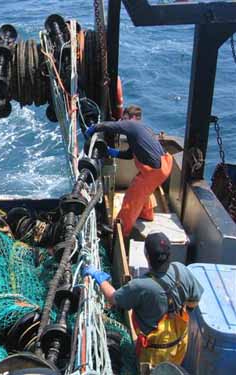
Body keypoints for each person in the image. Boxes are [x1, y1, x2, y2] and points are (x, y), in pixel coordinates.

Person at [83, 232, 203, 368]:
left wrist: (98, 276)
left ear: (146, 255)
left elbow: (113, 299)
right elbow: (194, 300)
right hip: (179, 344)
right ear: (169, 254)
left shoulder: (140, 286)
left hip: (154, 353)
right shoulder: (181, 269)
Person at [85, 105, 173, 237]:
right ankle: (146, 214)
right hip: (164, 165)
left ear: (133, 118)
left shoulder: (133, 125)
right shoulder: (143, 130)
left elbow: (112, 126)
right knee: (142, 189)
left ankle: (119, 231)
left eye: (124, 119)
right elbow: (129, 155)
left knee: (131, 198)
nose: (122, 122)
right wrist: (110, 151)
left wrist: (94, 128)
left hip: (154, 171)